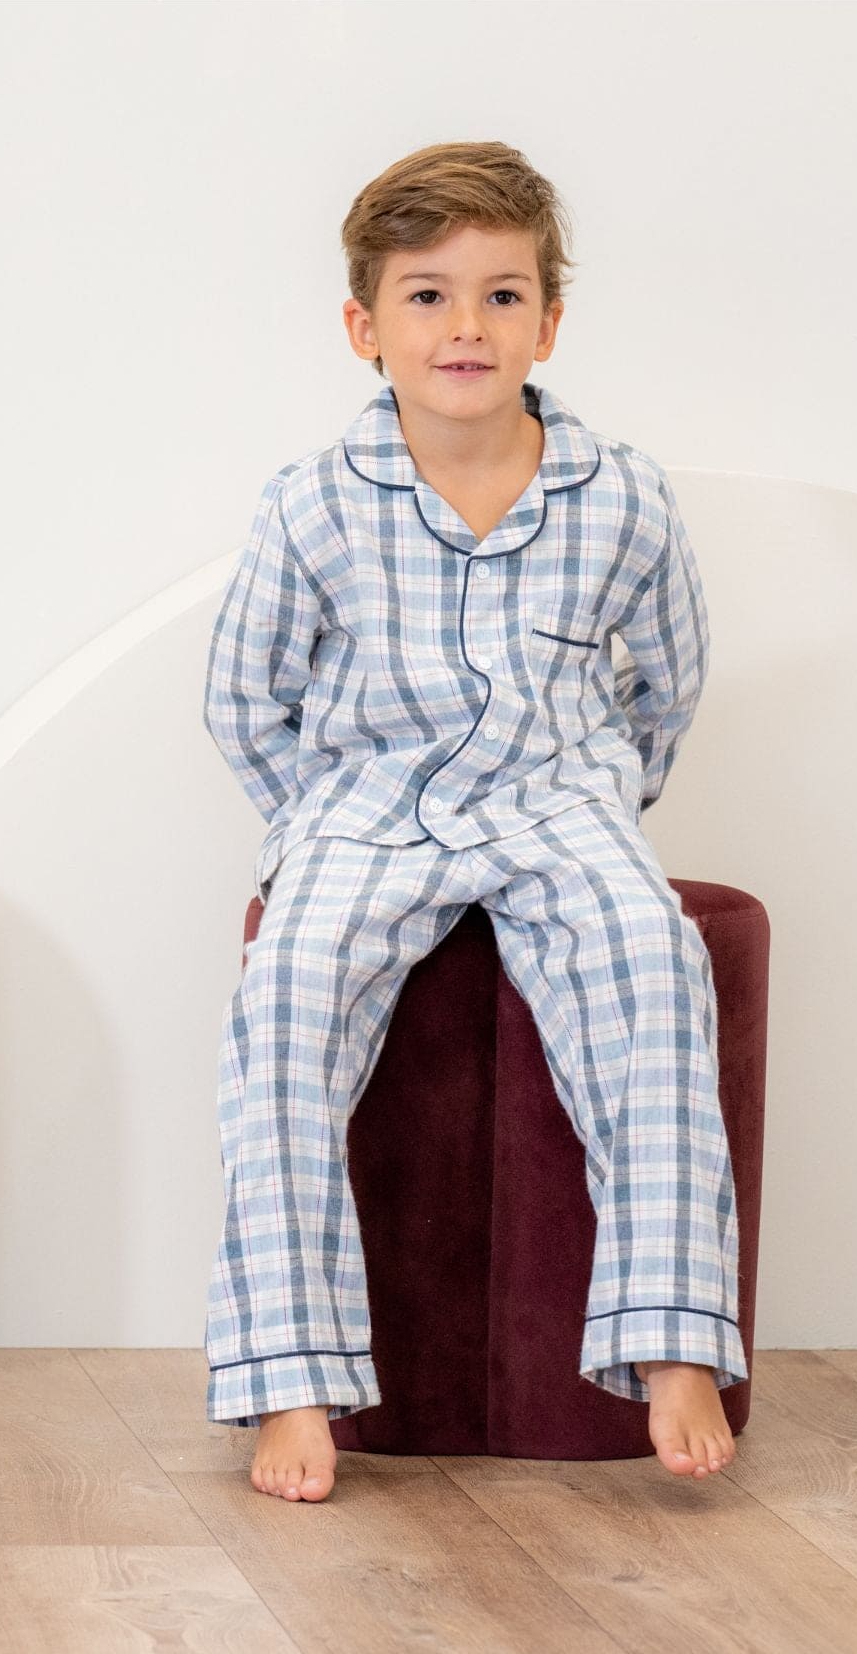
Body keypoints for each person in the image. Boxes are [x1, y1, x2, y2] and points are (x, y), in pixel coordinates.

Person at [202, 139, 746, 1504]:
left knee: (654, 963)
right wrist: (318, 823)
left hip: (557, 801)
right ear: (365, 328)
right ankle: (291, 1379)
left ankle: (674, 1341)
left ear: (548, 322)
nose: (468, 327)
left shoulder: (620, 495)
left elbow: (665, 685)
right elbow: (244, 698)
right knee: (286, 1001)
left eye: (503, 296)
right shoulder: (313, 503)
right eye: (429, 296)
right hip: (367, 810)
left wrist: (603, 805)